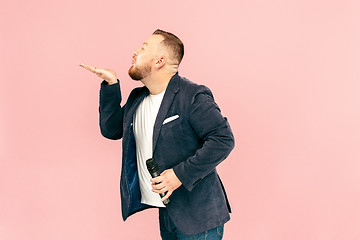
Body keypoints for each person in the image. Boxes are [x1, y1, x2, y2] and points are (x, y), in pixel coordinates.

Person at [79, 29, 235, 239]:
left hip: (199, 216)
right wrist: (111, 84)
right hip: (168, 212)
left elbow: (223, 139)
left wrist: (179, 175)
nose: (135, 52)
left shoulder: (192, 95)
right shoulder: (138, 98)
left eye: (143, 48)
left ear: (159, 60)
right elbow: (112, 129)